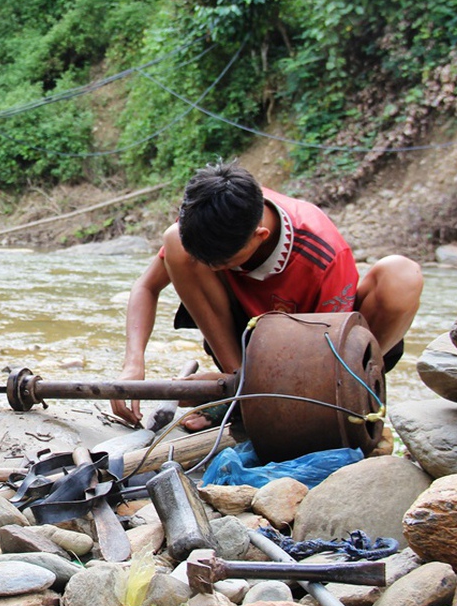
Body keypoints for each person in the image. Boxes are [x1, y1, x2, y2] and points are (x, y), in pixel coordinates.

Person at [110, 161, 422, 430]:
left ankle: (241, 395)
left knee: (402, 276)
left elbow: (327, 360)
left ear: (261, 237)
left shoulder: (324, 255)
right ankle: (238, 388)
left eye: (222, 264)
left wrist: (230, 390)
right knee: (173, 241)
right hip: (247, 344)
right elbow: (146, 287)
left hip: (323, 355)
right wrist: (133, 365)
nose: (210, 268)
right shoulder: (213, 218)